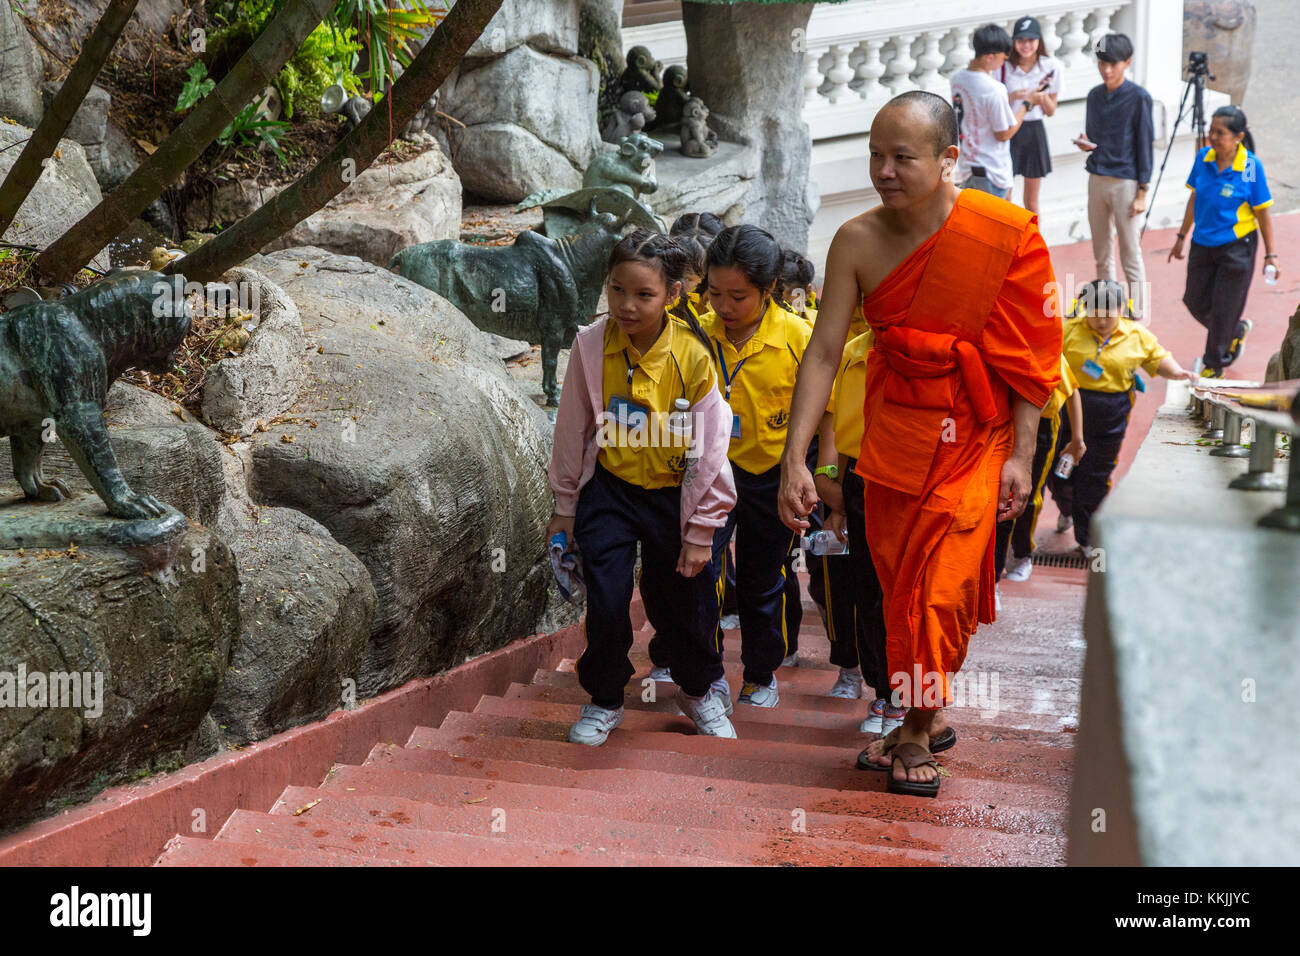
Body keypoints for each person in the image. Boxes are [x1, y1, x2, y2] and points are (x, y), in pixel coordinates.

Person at [777, 90, 1063, 797]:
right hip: (895, 442)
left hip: (977, 441)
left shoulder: (1006, 233)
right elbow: (822, 353)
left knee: (941, 594)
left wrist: (1023, 455)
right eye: (875, 154)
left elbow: (1032, 358)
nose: (883, 170)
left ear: (948, 159)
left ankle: (910, 731)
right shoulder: (857, 240)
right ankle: (923, 714)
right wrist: (798, 459)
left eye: (902, 156)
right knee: (900, 596)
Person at [547, 228, 738, 744]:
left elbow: (713, 449)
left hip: (674, 498)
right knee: (607, 601)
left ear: (673, 295)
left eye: (644, 294)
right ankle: (605, 699)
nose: (626, 305)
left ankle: (697, 690)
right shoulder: (590, 345)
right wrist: (565, 507)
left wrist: (702, 528)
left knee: (684, 603)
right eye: (617, 290)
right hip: (609, 490)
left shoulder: (694, 356)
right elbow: (572, 428)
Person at [702, 224, 835, 708]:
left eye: (738, 296)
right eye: (715, 292)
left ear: (769, 288)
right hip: (709, 473)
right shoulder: (697, 333)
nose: (724, 306)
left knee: (763, 579)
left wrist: (821, 474)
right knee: (702, 571)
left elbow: (829, 412)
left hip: (771, 478)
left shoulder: (801, 338)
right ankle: (706, 672)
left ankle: (761, 673)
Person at [1047, 279, 1196, 555]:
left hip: (1110, 416)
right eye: (1095, 314)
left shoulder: (1136, 335)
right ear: (1085, 308)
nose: (1102, 321)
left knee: (1094, 478)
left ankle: (1087, 537)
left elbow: (1157, 358)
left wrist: (1178, 372)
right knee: (1058, 473)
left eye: (1109, 314)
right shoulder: (1068, 330)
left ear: (1121, 309)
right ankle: (1066, 507)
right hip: (1067, 412)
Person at [1168, 105, 1277, 379]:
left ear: (1238, 136)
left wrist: (1270, 255)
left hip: (1237, 245)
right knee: (1194, 300)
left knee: (1224, 307)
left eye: (1220, 132)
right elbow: (1194, 198)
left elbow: (1262, 212)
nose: (1212, 137)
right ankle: (1234, 330)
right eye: (1211, 130)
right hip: (1202, 242)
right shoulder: (1204, 158)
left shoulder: (1250, 167)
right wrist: (1181, 236)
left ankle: (1213, 366)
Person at [1076, 32, 1154, 318]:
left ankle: (1139, 318)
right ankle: (1107, 312)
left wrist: (1142, 192)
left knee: (1130, 253)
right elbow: (1093, 138)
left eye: (1113, 64)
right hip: (1097, 178)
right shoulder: (1095, 96)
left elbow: (1145, 145)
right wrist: (1086, 143)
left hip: (1126, 183)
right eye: (1102, 63)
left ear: (1127, 63)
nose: (1106, 70)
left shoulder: (1139, 98)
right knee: (1101, 253)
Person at [996, 353, 1084, 582]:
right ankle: (992, 568)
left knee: (1028, 495)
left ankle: (1021, 554)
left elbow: (1072, 392)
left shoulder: (1049, 351)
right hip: (1002, 422)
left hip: (1042, 425)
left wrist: (1077, 440)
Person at [950, 23, 1030, 200]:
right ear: (989, 57)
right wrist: (1026, 106)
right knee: (996, 225)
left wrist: (1009, 97)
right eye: (1003, 56)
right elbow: (1003, 133)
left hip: (967, 168)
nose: (1005, 59)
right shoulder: (994, 89)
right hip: (992, 172)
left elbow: (977, 107)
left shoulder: (957, 80)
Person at [1000, 16, 1060, 214]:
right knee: (1005, 197)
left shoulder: (1050, 67)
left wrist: (1041, 99)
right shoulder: (1004, 66)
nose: (1026, 46)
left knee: (1032, 202)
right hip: (1010, 129)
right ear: (1014, 42)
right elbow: (995, 102)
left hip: (1034, 130)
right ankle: (1007, 243)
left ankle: (1033, 243)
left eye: (1030, 40)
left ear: (1039, 41)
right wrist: (1013, 96)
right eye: (1021, 40)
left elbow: (1051, 111)